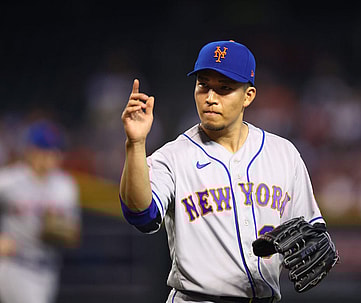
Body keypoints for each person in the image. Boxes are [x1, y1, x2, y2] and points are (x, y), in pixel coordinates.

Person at [119, 40, 327, 302]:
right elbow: (141, 215)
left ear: (248, 96)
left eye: (224, 89)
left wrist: (313, 243)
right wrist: (136, 144)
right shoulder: (172, 157)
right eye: (203, 85)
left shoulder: (283, 154)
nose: (210, 98)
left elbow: (311, 230)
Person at [0, 119, 81, 303]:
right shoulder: (9, 180)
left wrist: (62, 232)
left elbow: (73, 231)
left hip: (48, 269)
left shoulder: (65, 186)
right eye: (43, 150)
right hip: (16, 265)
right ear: (30, 151)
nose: (49, 156)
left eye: (54, 151)